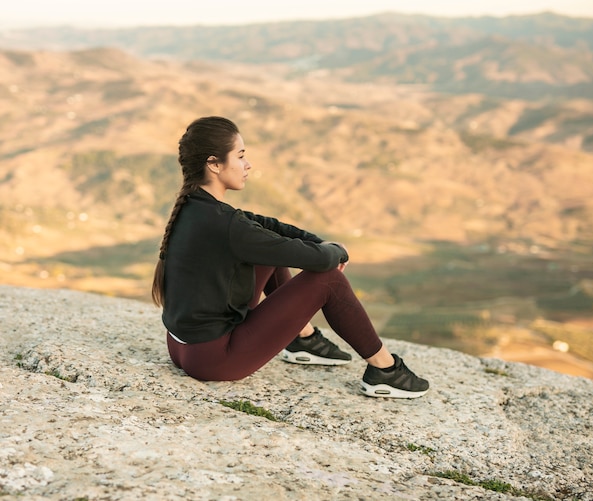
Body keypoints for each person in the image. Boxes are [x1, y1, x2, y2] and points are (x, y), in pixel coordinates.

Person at [152, 116, 429, 399]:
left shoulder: (194, 208)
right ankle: (385, 370)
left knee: (270, 249)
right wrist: (336, 252)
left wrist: (320, 243)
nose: (247, 165)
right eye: (241, 156)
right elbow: (321, 263)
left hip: (182, 348)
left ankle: (302, 339)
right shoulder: (227, 225)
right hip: (215, 359)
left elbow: (268, 227)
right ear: (214, 164)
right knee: (328, 280)